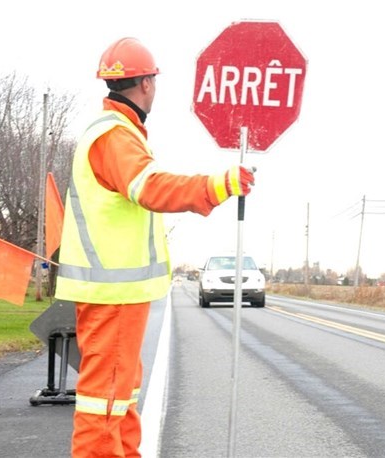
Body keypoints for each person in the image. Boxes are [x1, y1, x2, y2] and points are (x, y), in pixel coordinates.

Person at [55, 37, 255, 458]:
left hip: (116, 295)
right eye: (155, 82)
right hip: (111, 294)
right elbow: (150, 187)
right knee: (104, 401)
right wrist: (216, 185)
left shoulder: (116, 131)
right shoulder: (114, 136)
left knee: (120, 395)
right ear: (146, 84)